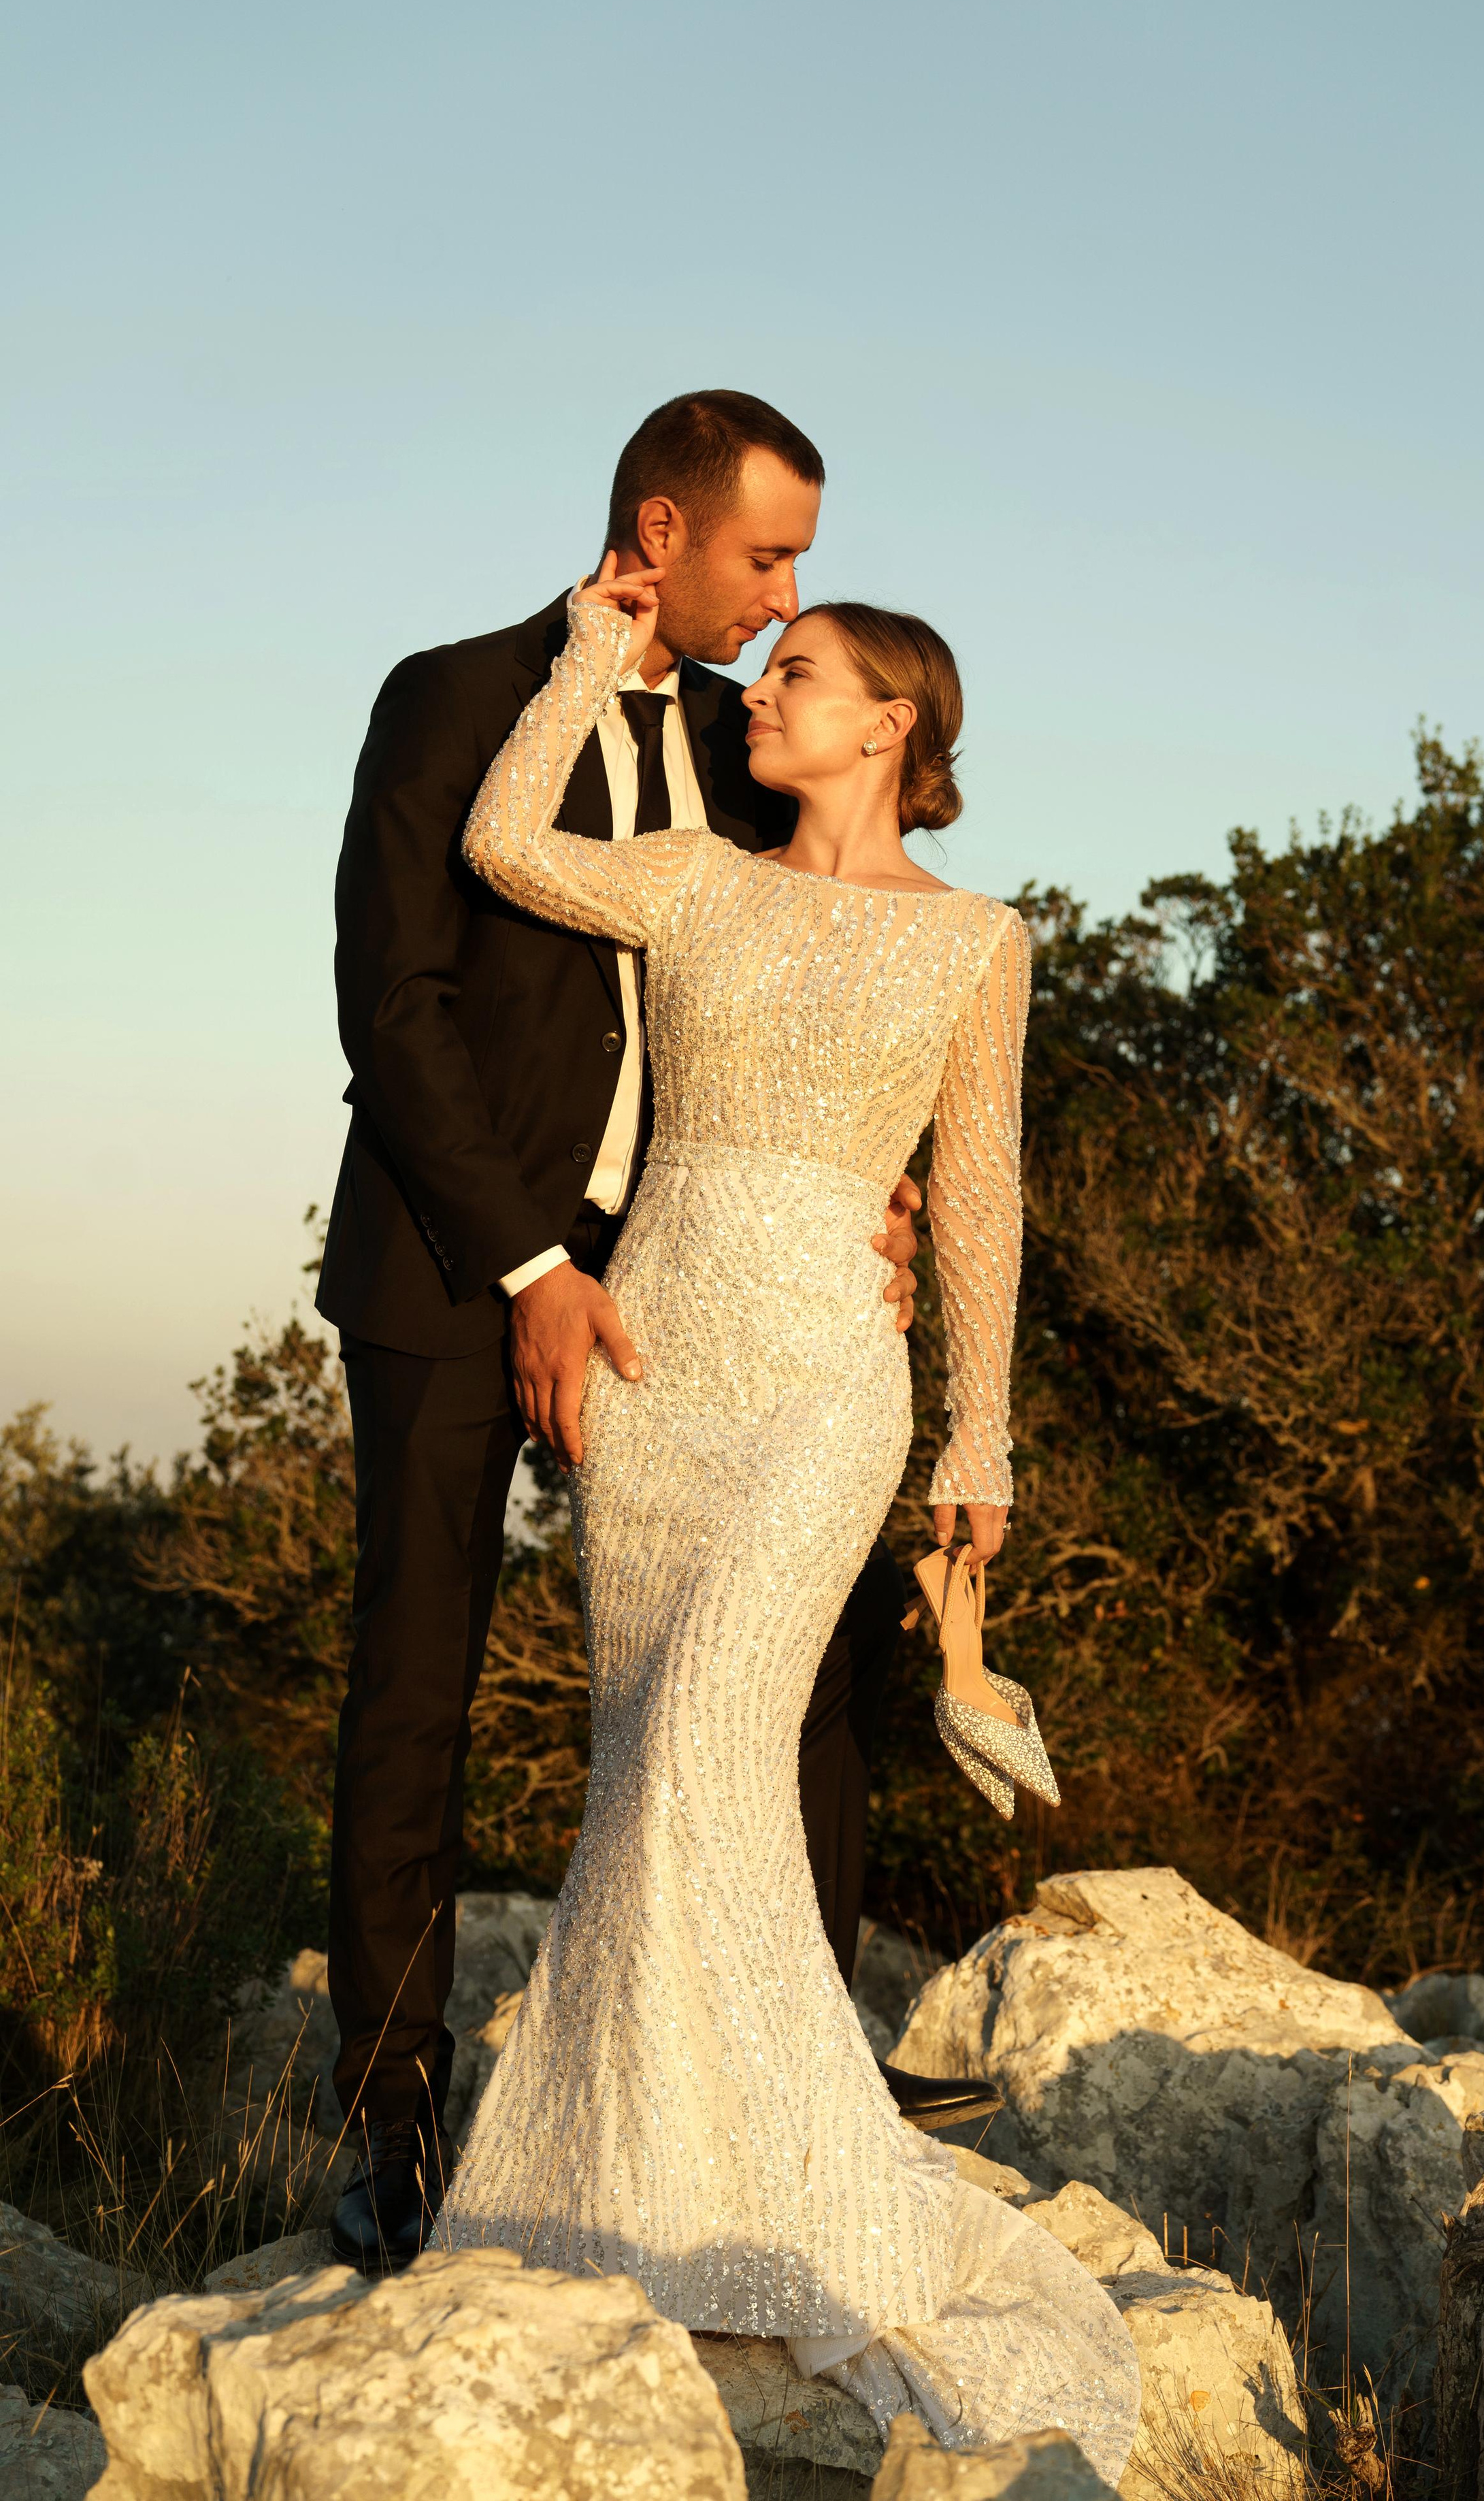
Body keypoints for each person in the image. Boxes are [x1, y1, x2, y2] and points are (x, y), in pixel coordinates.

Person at [437, 566, 1140, 2481]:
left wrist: (978, 1433)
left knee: (707, 1741)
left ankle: (789, 2195)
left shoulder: (981, 940)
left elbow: (977, 1192)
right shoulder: (687, 871)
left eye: (802, 674)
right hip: (658, 1368)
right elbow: (503, 838)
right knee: (645, 1769)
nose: (763, 687)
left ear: (892, 721)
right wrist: (593, 648)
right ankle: (659, 2184)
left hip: (834, 1379)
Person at [315, 391, 996, 2277]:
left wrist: (859, 1184)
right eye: (768, 557)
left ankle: (804, 2072)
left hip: (709, 1286)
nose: (792, 601)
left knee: (797, 1670)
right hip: (467, 1273)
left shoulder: (743, 733)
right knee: (419, 1682)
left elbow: (834, 980)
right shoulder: (450, 696)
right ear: (660, 526)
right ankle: (392, 2119)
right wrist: (537, 1268)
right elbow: (400, 1005)